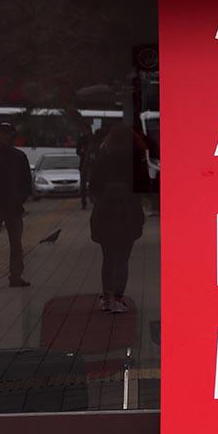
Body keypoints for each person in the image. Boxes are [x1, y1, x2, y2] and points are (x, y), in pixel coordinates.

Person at [89, 124, 152, 313]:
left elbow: (94, 186)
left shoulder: (103, 155)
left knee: (107, 258)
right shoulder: (136, 158)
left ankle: (106, 299)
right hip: (128, 212)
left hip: (105, 212)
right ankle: (118, 298)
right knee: (123, 258)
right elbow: (144, 185)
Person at [0, 121, 32, 288]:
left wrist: (18, 199)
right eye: (1, 133)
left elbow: (26, 183)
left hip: (13, 207)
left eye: (7, 133)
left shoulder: (19, 157)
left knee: (16, 244)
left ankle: (16, 277)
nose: (4, 136)